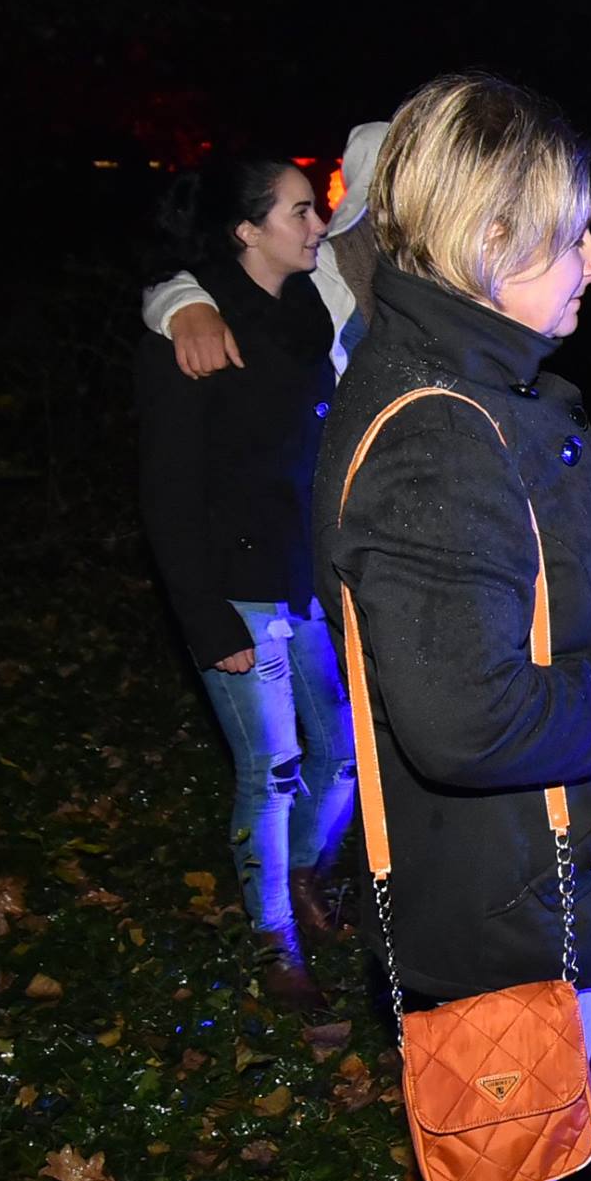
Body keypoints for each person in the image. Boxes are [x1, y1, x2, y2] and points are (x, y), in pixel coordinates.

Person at [311, 75, 591, 1181]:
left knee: (549, 1151)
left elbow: (534, 597)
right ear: (491, 239)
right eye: (572, 236)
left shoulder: (486, 391)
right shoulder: (439, 438)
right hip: (512, 908)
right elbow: (471, 718)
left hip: (547, 882)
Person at [136, 155, 352, 1009]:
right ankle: (272, 937)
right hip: (235, 586)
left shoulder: (306, 310)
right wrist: (203, 615)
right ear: (246, 230)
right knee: (272, 765)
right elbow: (168, 488)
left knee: (340, 754)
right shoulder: (197, 331)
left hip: (304, 578)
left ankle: (300, 872)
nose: (318, 224)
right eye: (299, 211)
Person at [143, 121, 389, 380]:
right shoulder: (321, 263)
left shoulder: (419, 264)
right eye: (301, 213)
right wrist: (187, 307)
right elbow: (177, 280)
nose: (319, 225)